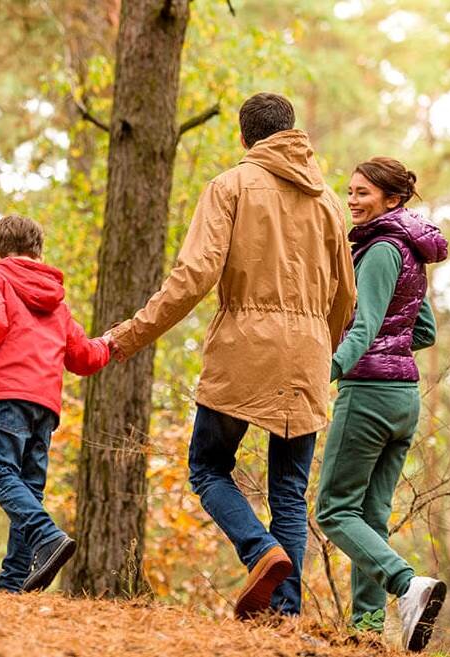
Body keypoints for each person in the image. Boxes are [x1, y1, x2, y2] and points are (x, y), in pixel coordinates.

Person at [106, 92, 356, 619]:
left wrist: (130, 334)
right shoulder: (331, 202)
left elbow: (194, 277)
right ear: (293, 133)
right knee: (288, 491)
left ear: (245, 138)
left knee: (207, 467)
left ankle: (258, 549)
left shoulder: (230, 187)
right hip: (309, 358)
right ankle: (282, 616)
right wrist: (320, 348)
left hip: (245, 350)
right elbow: (346, 299)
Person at [314, 157, 449, 652]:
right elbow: (425, 331)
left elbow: (365, 325)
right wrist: (391, 350)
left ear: (392, 200)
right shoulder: (411, 252)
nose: (352, 201)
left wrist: (326, 369)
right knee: (370, 516)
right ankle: (367, 631)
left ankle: (406, 584)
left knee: (332, 510)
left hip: (368, 394)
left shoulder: (378, 250)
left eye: (363, 193)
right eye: (349, 191)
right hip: (404, 400)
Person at [0, 214, 111, 593]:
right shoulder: (56, 301)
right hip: (45, 407)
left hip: (8, 395)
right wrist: (109, 344)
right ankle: (14, 587)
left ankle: (47, 535)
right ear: (38, 253)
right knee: (28, 489)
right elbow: (82, 356)